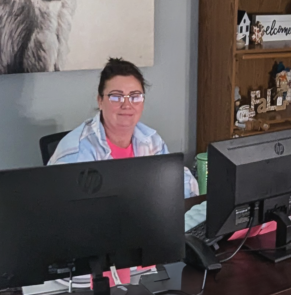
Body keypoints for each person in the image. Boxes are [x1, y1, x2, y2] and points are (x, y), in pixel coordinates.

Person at [49, 57, 199, 197]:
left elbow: (185, 185)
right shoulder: (77, 151)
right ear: (100, 101)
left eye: (135, 96)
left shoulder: (150, 140)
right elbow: (62, 210)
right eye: (116, 96)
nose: (127, 105)